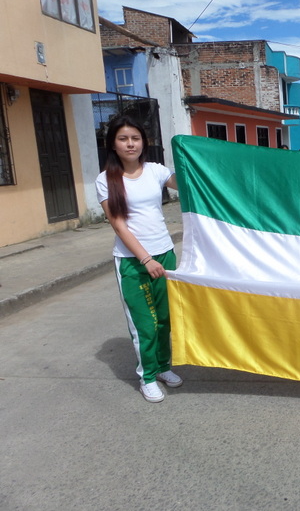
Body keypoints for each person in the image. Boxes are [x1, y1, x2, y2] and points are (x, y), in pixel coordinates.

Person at [95, 115, 181, 403]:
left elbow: (186, 185)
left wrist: (194, 158)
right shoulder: (106, 180)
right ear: (113, 144)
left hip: (165, 254)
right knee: (145, 324)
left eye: (135, 138)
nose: (130, 144)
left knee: (165, 319)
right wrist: (145, 259)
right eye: (123, 139)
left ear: (144, 142)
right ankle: (147, 377)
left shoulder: (156, 171)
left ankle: (163, 367)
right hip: (133, 261)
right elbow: (119, 225)